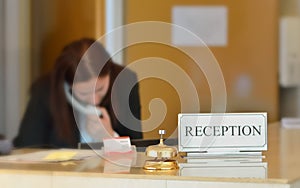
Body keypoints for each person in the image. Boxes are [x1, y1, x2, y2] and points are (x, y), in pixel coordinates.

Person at [13, 38, 143, 148]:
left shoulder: (125, 82)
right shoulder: (44, 90)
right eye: (84, 93)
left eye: (100, 89)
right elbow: (26, 147)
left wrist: (109, 137)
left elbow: (139, 153)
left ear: (109, 73)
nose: (95, 100)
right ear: (67, 86)